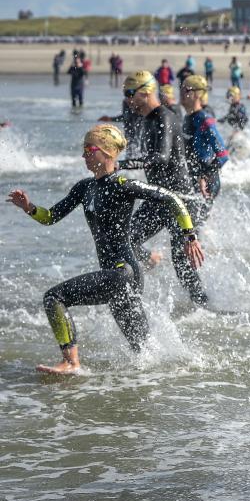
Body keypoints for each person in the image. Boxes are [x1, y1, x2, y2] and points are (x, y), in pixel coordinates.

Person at [6, 124, 203, 374]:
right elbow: (51, 216)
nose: (84, 155)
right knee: (144, 355)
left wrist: (190, 235)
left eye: (89, 149)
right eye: (84, 150)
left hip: (124, 273)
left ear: (107, 153)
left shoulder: (122, 184)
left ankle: (71, 363)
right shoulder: (84, 188)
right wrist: (30, 207)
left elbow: (172, 198)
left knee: (53, 298)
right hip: (114, 274)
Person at [118, 71, 209, 307]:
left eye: (130, 94)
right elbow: (185, 150)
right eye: (125, 94)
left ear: (146, 92)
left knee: (183, 267)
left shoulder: (164, 118)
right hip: (159, 199)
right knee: (125, 238)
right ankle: (150, 260)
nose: (128, 100)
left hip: (180, 201)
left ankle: (206, 310)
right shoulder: (148, 119)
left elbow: (162, 157)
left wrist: (121, 164)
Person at [181, 75, 229, 214]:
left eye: (186, 90)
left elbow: (223, 155)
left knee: (194, 228)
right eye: (182, 89)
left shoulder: (205, 120)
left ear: (196, 94)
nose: (182, 93)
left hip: (207, 183)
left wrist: (204, 176)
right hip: (194, 179)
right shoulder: (187, 118)